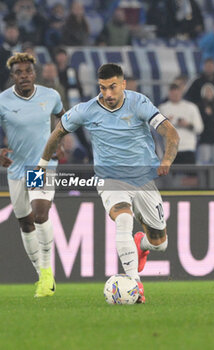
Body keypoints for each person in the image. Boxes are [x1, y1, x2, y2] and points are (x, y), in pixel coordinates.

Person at [36, 63, 180, 303]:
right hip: (110, 177)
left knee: (160, 245)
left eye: (113, 87)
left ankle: (140, 244)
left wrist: (166, 158)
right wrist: (41, 166)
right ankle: (135, 284)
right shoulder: (86, 110)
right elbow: (58, 132)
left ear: (123, 84)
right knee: (123, 218)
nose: (108, 94)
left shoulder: (139, 103)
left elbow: (171, 133)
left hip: (143, 178)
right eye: (103, 88)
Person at [0, 53, 65, 297]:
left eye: (28, 71)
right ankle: (43, 275)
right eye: (19, 72)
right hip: (17, 168)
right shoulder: (3, 101)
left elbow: (62, 115)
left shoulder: (50, 96)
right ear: (12, 76)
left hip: (40, 166)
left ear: (34, 74)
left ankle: (47, 273)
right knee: (25, 223)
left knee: (40, 214)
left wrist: (60, 138)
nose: (24, 76)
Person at [159, 83, 203, 164]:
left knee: (191, 175)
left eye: (177, 94)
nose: (175, 96)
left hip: (187, 147)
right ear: (169, 93)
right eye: (173, 94)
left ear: (181, 93)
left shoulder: (191, 107)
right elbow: (158, 130)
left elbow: (199, 128)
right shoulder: (163, 108)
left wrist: (187, 125)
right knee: (169, 175)